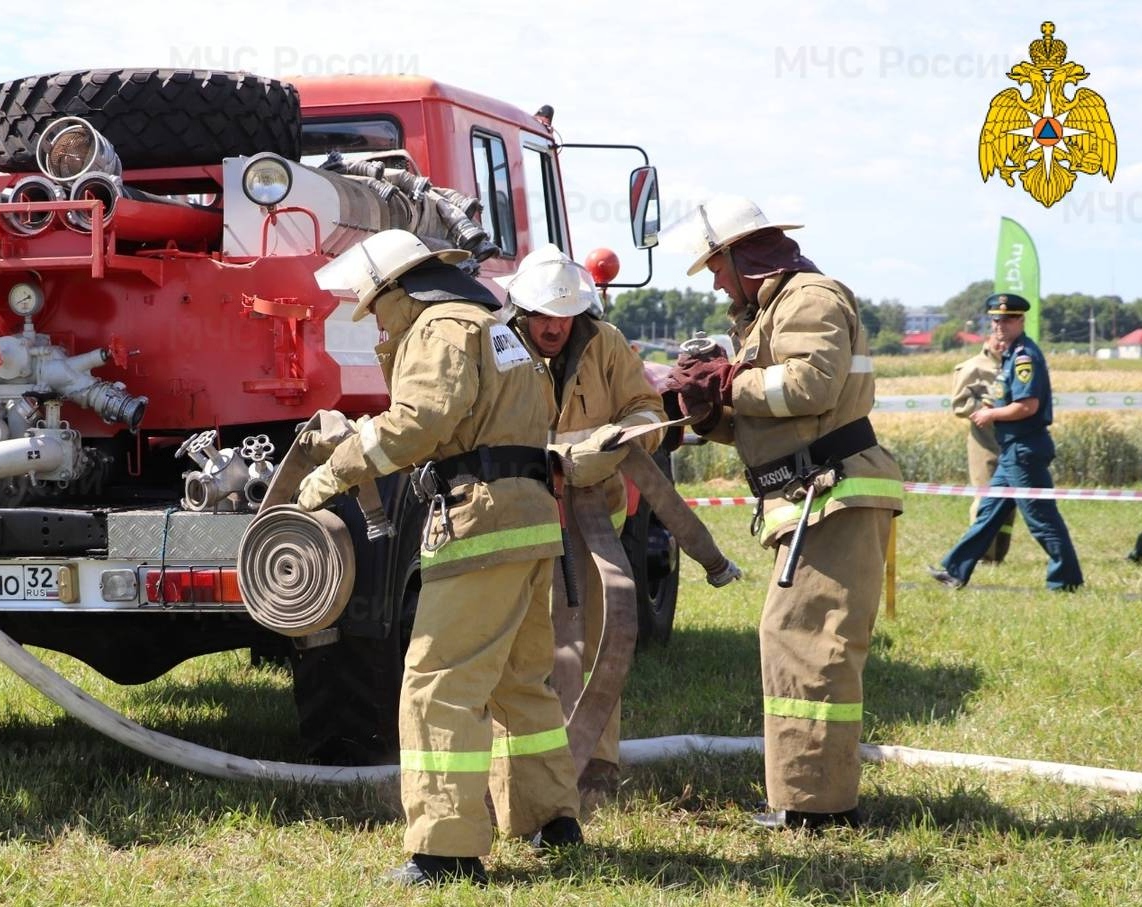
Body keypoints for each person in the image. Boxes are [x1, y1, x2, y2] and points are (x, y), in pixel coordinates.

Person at [302, 230, 580, 885]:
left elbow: (419, 420)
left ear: (397, 289)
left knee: (438, 684)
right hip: (530, 516)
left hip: (479, 519)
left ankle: (444, 851)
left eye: (374, 306)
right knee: (519, 681)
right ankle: (551, 820)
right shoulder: (496, 327)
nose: (375, 321)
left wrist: (334, 471)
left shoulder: (437, 327)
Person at [663, 196, 904, 831]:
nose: (715, 281)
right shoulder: (771, 310)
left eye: (716, 266)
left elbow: (809, 388)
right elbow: (777, 421)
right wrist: (707, 412)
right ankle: (808, 800)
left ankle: (818, 810)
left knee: (811, 645)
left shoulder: (809, 298)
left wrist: (727, 385)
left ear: (746, 256)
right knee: (792, 641)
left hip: (834, 493)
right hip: (812, 495)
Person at [497, 244, 663, 807]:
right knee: (521, 651)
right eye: (544, 315)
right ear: (521, 311)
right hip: (515, 520)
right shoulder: (497, 344)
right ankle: (520, 772)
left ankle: (595, 764)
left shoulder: (606, 343)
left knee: (595, 641)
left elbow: (647, 410)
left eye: (565, 315)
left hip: (589, 517)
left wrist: (612, 441)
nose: (555, 327)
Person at [930, 294, 1084, 591]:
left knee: (1041, 519)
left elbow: (1028, 406)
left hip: (1024, 449)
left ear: (1021, 321)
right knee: (989, 513)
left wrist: (990, 414)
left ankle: (1066, 580)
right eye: (995, 320)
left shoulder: (1025, 356)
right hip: (1013, 449)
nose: (1000, 325)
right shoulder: (1012, 354)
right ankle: (955, 571)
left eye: (1008, 319)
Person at [950, 336, 1016, 563]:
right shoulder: (973, 367)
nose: (1001, 343)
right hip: (984, 443)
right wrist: (987, 408)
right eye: (997, 339)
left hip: (1011, 442)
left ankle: (998, 555)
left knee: (1009, 502)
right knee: (986, 498)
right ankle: (981, 554)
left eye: (1004, 340)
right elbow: (959, 405)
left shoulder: (1015, 363)